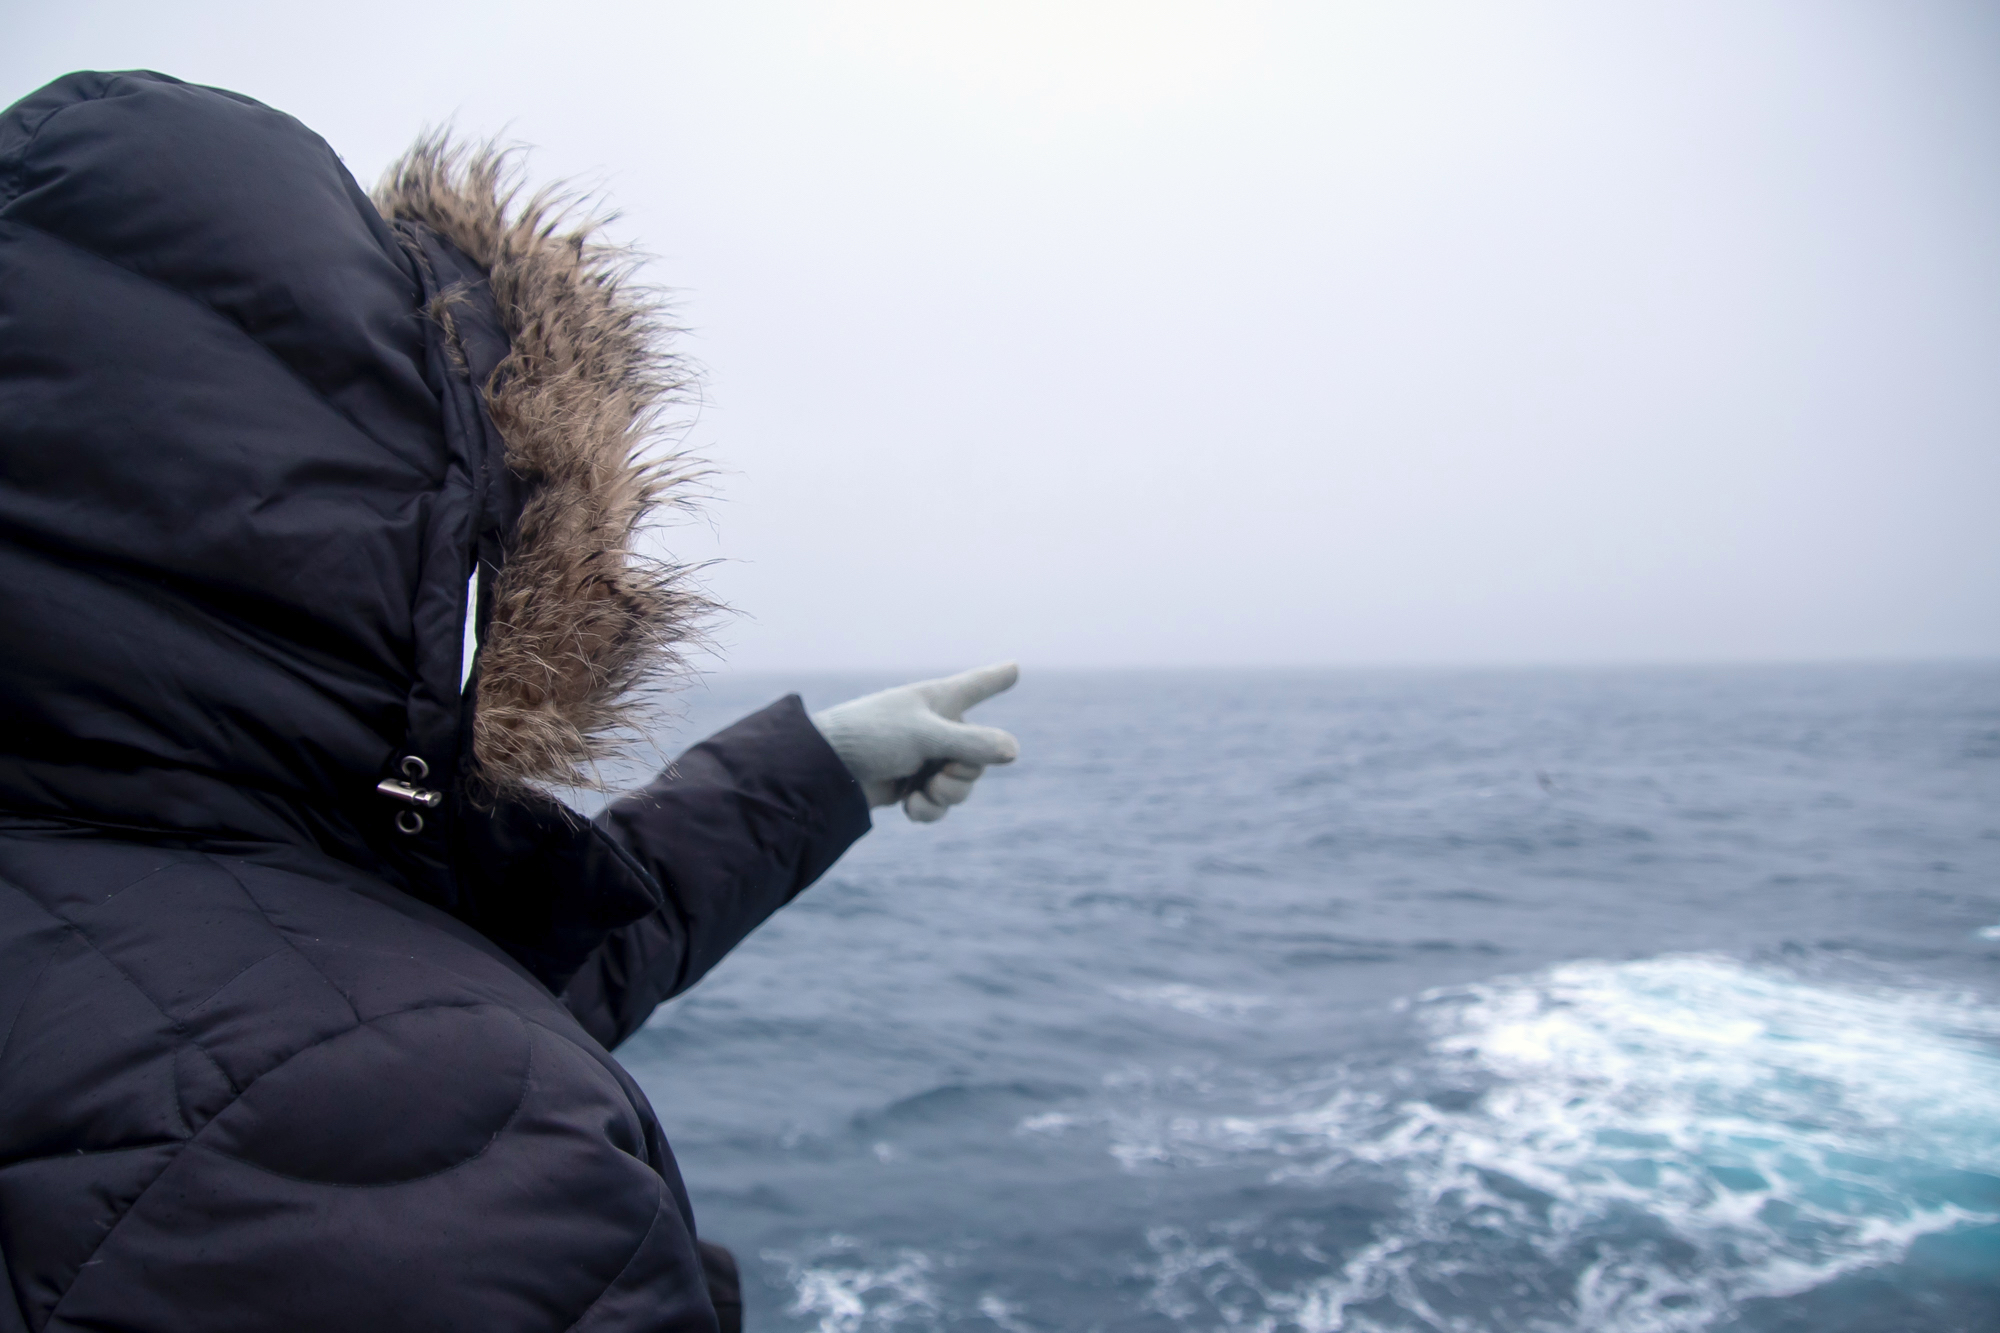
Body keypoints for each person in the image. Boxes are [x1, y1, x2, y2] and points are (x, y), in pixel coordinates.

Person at [0, 70, 1018, 1333]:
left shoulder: (109, 860)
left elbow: (382, 987)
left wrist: (815, 769)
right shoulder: (419, 1127)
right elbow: (368, 1055)